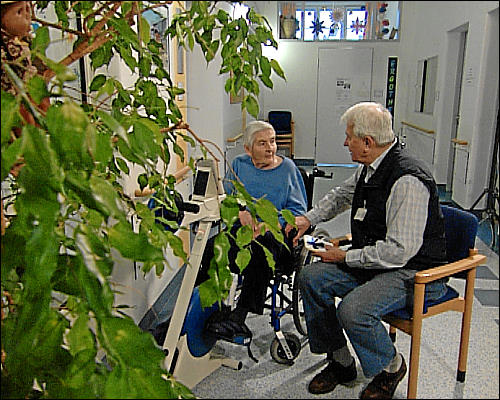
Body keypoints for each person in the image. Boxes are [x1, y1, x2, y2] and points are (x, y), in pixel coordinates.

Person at [285, 102, 448, 399]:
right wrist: (307, 219)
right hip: (378, 260)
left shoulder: (407, 180)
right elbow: (342, 195)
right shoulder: (372, 167)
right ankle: (341, 362)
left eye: (349, 137)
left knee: (354, 310)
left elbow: (399, 252)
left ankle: (391, 367)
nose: (345, 142)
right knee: (311, 278)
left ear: (367, 142)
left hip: (415, 272)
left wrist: (345, 255)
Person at [197, 120, 308, 340]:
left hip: (275, 236)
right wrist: (240, 211)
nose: (270, 148)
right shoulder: (239, 164)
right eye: (262, 144)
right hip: (243, 231)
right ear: (248, 149)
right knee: (211, 247)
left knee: (258, 256)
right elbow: (227, 197)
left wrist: (269, 224)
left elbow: (298, 212)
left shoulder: (287, 169)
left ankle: (239, 317)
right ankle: (203, 308)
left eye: (273, 142)